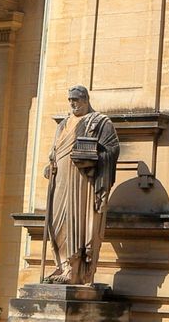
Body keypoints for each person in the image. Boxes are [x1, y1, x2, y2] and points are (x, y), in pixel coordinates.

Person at [43, 86, 119, 285]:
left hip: (83, 183)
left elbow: (112, 149)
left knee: (76, 223)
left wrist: (94, 160)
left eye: (76, 100)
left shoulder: (100, 122)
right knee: (56, 222)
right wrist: (49, 166)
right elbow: (55, 152)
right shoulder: (64, 124)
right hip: (60, 181)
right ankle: (60, 265)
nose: (73, 104)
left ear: (86, 99)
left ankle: (73, 270)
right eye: (70, 100)